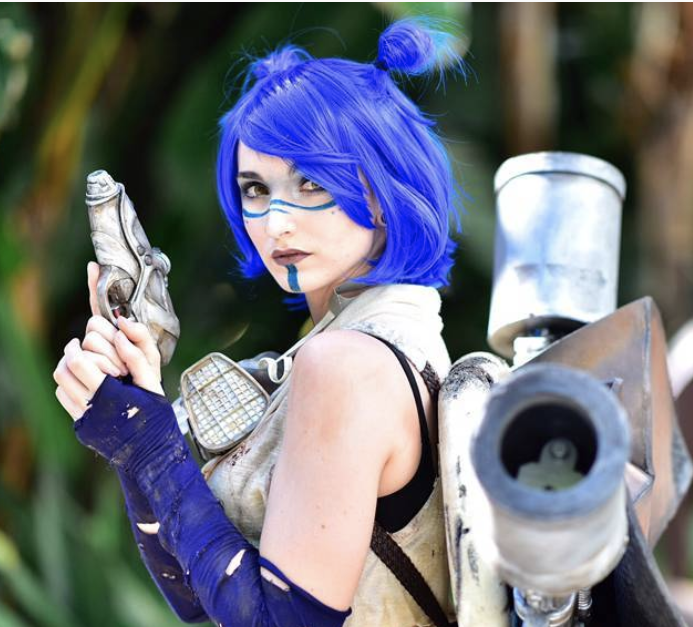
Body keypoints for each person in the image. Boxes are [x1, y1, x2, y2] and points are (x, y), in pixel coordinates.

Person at [52, 18, 464, 627]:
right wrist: (138, 412)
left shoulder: (347, 365)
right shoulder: (378, 346)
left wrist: (147, 441)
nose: (276, 222)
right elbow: (199, 599)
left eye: (311, 182)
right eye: (255, 189)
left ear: (382, 191)